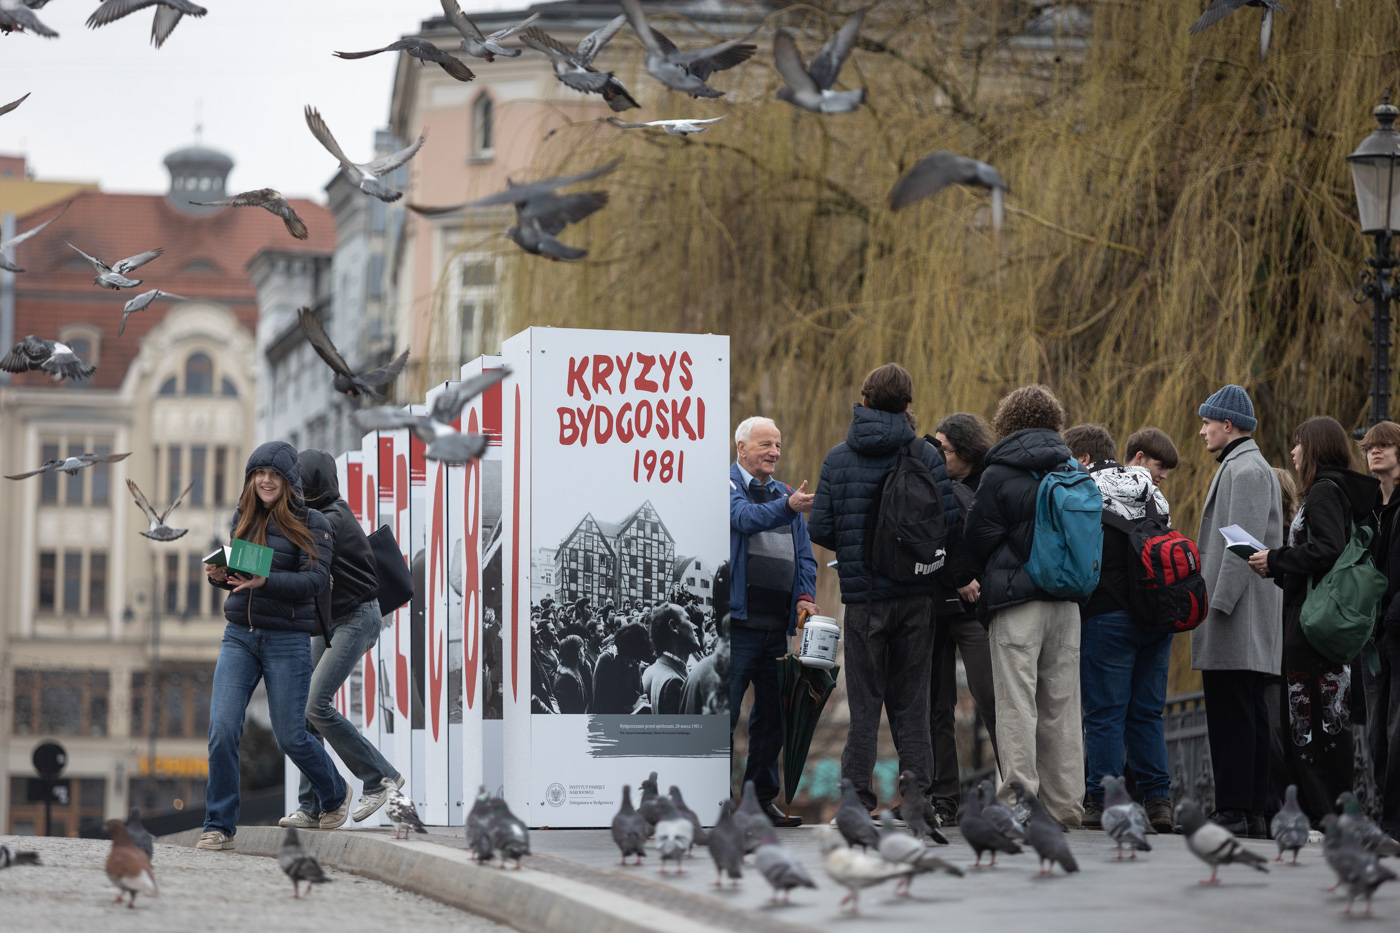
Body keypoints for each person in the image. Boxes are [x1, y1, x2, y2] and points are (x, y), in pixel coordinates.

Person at [809, 363, 968, 812]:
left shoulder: (839, 457)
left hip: (864, 600)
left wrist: (859, 547)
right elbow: (948, 524)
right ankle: (918, 798)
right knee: (913, 704)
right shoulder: (926, 454)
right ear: (906, 405)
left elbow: (820, 527)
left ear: (864, 400)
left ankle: (856, 800)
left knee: (864, 706)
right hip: (916, 596)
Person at [198, 441, 347, 851]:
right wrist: (219, 574)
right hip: (239, 637)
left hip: (287, 639)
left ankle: (335, 793)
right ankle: (218, 826)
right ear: (251, 479)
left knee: (291, 737)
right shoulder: (242, 517)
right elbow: (241, 577)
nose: (265, 480)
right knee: (222, 730)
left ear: (289, 480)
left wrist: (267, 581)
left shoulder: (314, 522)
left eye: (274, 474)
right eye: (259, 473)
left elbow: (314, 581)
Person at [964, 384, 1085, 826]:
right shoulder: (1073, 468)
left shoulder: (998, 473)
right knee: (1061, 707)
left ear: (1007, 421)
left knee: (1017, 704)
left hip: (1017, 603)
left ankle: (1019, 802)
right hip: (1066, 603)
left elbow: (976, 538)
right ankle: (1065, 805)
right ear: (1055, 420)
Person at [1248, 416, 1376, 825]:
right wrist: (1278, 569)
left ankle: (1323, 814)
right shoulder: (1339, 491)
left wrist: (1276, 559)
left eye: (1299, 443)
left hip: (1311, 627)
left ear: (1316, 448)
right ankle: (1331, 811)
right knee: (1327, 721)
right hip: (1322, 622)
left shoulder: (1323, 492)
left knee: (1309, 724)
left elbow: (1327, 550)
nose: (1293, 452)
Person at [1063, 423, 1177, 834]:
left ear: (1082, 457)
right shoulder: (1153, 491)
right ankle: (1158, 801)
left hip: (1106, 616)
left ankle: (1103, 799)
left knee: (1105, 714)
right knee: (1147, 712)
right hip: (1157, 614)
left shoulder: (1084, 489)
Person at [281, 449, 403, 830]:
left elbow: (291, 560)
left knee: (315, 704)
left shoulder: (329, 520)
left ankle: (380, 778)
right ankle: (313, 805)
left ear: (312, 486)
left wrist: (245, 559)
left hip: (357, 618)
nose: (292, 493)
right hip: (331, 620)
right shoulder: (320, 514)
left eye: (297, 486)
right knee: (306, 708)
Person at [1193, 384, 1284, 838]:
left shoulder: (1245, 470)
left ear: (1227, 425)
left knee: (1233, 713)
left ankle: (1234, 809)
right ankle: (1250, 811)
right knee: (1247, 711)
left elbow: (1241, 544)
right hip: (1242, 613)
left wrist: (1218, 604)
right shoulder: (1246, 465)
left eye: (1207, 423)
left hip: (1235, 614)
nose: (1203, 431)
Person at [729, 417, 818, 826]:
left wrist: (804, 596)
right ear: (741, 448)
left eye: (778, 445)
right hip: (737, 627)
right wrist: (787, 507)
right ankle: (712, 801)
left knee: (772, 719)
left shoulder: (785, 493)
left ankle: (759, 802)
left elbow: (805, 556)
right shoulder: (729, 487)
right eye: (766, 444)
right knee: (724, 716)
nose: (775, 452)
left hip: (776, 627)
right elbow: (744, 519)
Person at [928, 412, 998, 825]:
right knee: (936, 707)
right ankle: (943, 799)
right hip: (937, 607)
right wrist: (954, 578)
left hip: (976, 611)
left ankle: (1018, 790)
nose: (938, 455)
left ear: (967, 453)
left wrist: (972, 579)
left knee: (991, 698)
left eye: (945, 449)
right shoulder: (930, 480)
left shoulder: (992, 483)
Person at [1363, 421, 1400, 838]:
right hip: (1371, 637)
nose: (1375, 450)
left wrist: (1392, 617)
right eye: (1370, 446)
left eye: (1385, 445)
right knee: (1376, 734)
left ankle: (1393, 826)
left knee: (1396, 729)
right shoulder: (1368, 507)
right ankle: (1386, 821)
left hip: (1396, 630)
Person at [641, 603, 701, 715]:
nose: (695, 627)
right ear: (673, 626)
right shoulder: (674, 682)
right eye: (688, 619)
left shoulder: (655, 669)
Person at [592, 621, 651, 713]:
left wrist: (641, 701)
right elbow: (600, 707)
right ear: (628, 650)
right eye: (636, 658)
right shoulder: (606, 661)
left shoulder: (634, 663)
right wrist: (631, 708)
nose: (638, 662)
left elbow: (637, 691)